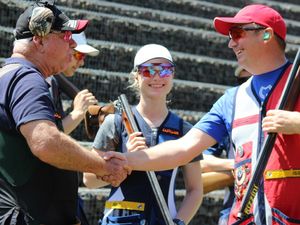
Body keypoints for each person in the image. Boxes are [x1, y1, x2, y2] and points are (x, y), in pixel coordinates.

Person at [106, 4, 300, 225]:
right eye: (230, 36)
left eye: (237, 33)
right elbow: (183, 148)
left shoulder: (297, 80)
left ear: (266, 34)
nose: (231, 43)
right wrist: (123, 160)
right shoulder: (233, 98)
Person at [0, 1, 128, 224]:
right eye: (66, 37)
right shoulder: (27, 79)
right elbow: (46, 142)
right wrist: (102, 165)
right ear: (39, 40)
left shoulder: (10, 74)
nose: (72, 45)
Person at [84, 44, 203, 225]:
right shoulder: (115, 122)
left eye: (164, 70)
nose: (157, 77)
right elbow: (89, 180)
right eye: (148, 70)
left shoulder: (184, 130)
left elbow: (195, 190)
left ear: (172, 75)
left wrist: (179, 222)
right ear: (136, 76)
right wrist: (125, 162)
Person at [48, 31, 100, 134]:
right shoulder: (38, 81)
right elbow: (48, 137)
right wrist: (78, 111)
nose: (82, 62)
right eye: (79, 55)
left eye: (83, 56)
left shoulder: (52, 81)